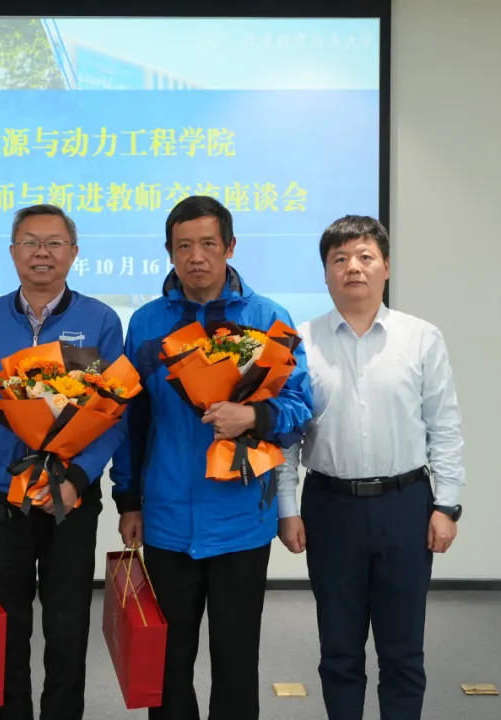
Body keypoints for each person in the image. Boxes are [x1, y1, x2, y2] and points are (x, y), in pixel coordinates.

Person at [109, 195, 313, 720]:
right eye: (183, 246)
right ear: (169, 253)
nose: (195, 257)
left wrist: (254, 416)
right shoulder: (147, 324)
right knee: (167, 666)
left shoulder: (268, 318)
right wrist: (128, 500)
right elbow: (131, 420)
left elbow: (299, 406)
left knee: (236, 661)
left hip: (241, 518)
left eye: (207, 244)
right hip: (166, 519)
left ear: (230, 246)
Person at [276, 215, 466, 720]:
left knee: (403, 651)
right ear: (325, 273)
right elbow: (287, 436)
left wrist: (447, 504)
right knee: (338, 649)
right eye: (339, 259)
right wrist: (286, 509)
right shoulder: (300, 342)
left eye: (365, 257)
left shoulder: (421, 338)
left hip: (406, 505)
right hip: (329, 507)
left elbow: (444, 426)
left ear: (386, 266)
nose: (353, 268)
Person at [0, 204, 127, 720]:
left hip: (70, 497)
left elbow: (115, 414)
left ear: (73, 253)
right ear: (13, 252)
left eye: (54, 242)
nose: (41, 253)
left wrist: (77, 477)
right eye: (30, 242)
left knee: (67, 626)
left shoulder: (100, 320)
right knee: (4, 628)